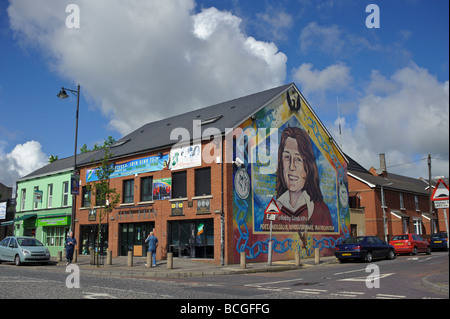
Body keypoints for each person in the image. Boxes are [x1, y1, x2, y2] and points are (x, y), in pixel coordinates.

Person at [275, 127, 333, 229]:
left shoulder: (321, 210)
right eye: (287, 157)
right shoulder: (274, 208)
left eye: (298, 159)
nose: (291, 167)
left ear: (308, 166)